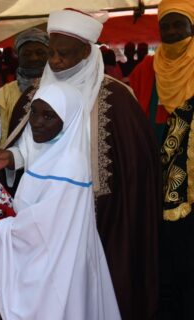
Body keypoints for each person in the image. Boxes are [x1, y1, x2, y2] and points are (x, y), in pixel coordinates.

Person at [0, 9, 162, 320]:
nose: (55, 61)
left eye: (64, 54)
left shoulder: (118, 98)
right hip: (45, 218)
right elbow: (34, 148)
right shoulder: (35, 96)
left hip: (104, 219)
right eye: (53, 52)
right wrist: (12, 157)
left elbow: (135, 170)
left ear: (87, 52)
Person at [0, 82, 120, 319]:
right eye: (34, 112)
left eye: (49, 116)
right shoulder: (51, 149)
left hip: (58, 265)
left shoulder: (70, 165)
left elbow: (42, 227)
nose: (36, 122)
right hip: (45, 257)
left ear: (68, 121)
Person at [131, 1, 194, 319]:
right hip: (154, 185)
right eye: (165, 26)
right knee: (161, 261)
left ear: (191, 28)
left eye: (178, 25)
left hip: (192, 188)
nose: (170, 32)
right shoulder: (146, 69)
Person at [0, 27, 49, 147]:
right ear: (18, 56)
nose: (34, 58)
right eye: (27, 54)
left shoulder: (63, 89)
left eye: (40, 53)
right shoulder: (0, 98)